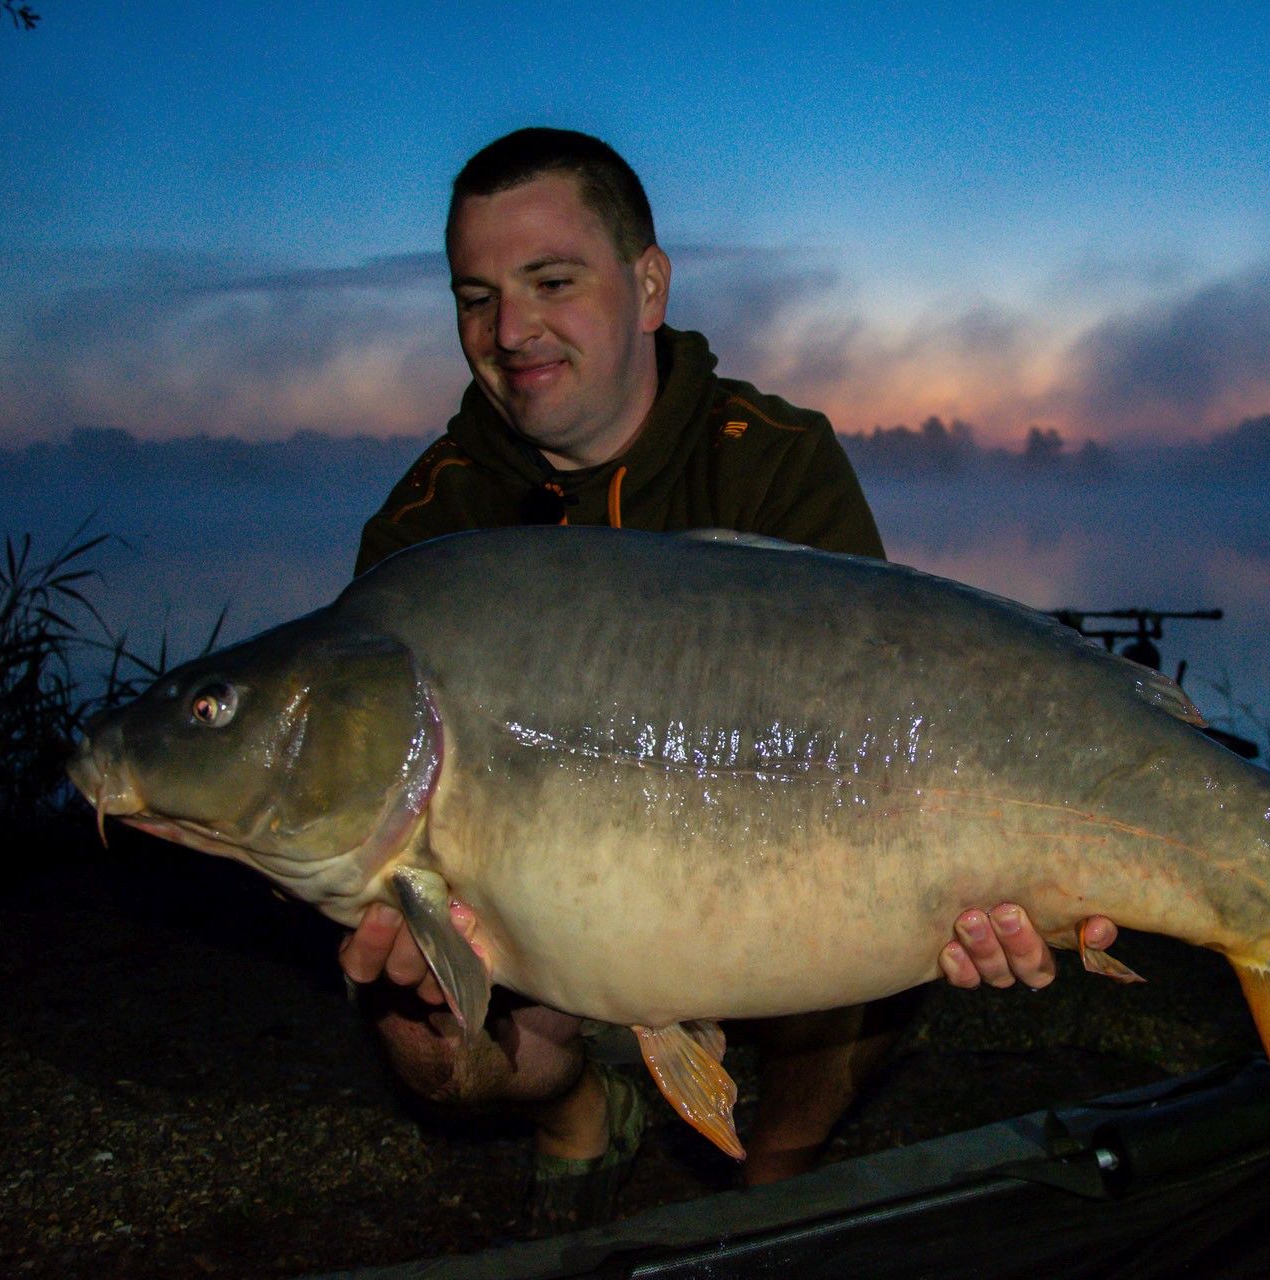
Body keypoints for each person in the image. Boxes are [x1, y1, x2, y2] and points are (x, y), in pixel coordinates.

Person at [339, 127, 1118, 1222]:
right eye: (477, 296)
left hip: (777, 892)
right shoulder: (431, 532)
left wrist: (995, 873)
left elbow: (892, 726)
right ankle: (574, 1102)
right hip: (545, 923)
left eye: (552, 281)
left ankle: (780, 1159)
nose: (511, 331)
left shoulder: (774, 457)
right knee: (417, 1025)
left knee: (899, 909)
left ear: (647, 285)